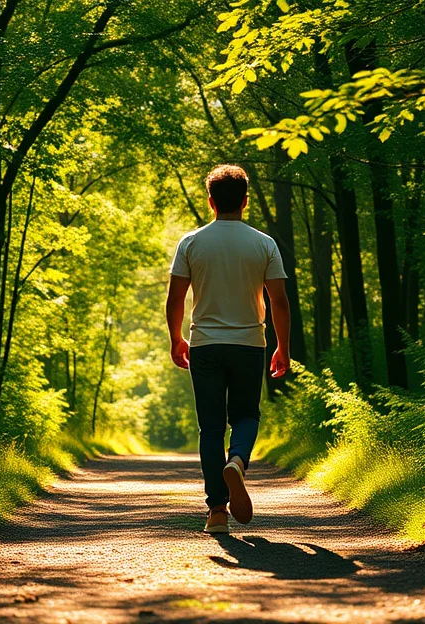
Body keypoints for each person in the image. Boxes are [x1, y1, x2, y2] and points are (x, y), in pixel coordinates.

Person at [166, 164, 291, 534]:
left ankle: (217, 511)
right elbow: (280, 302)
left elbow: (176, 298)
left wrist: (176, 338)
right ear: (246, 200)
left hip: (205, 345)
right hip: (250, 345)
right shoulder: (264, 243)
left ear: (210, 201)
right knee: (246, 416)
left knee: (210, 428)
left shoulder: (191, 242)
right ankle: (237, 460)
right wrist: (283, 346)